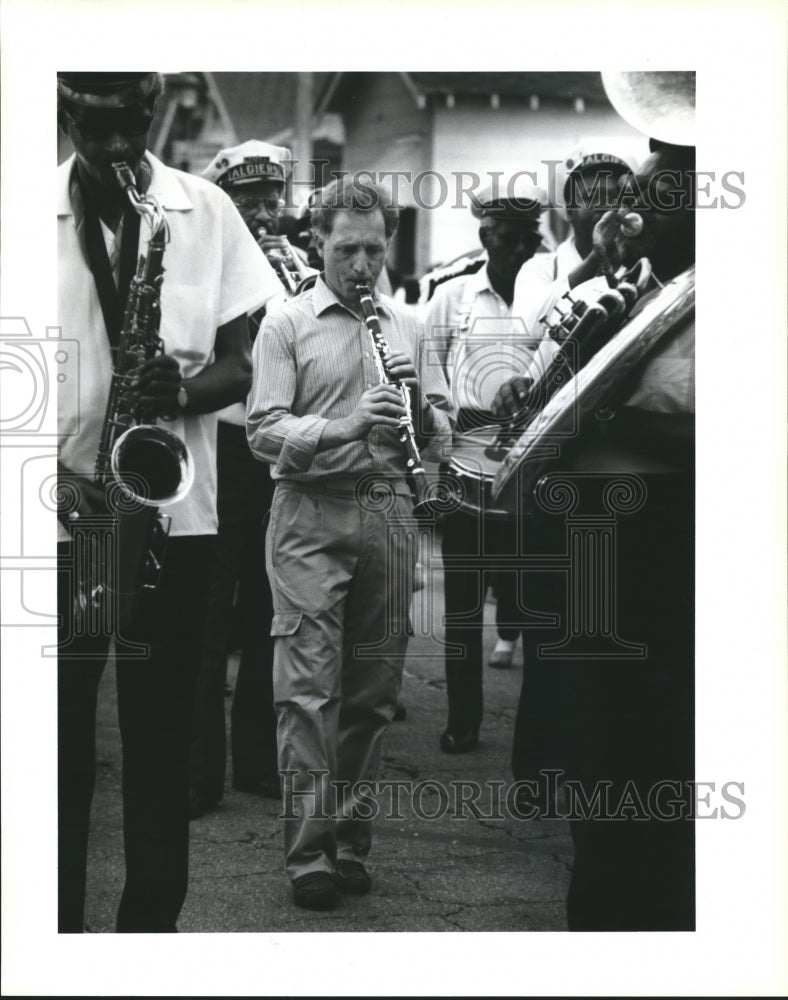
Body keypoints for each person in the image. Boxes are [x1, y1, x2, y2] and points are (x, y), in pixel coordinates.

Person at [56, 72, 273, 932]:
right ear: (67, 114)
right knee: (56, 747)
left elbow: (241, 366)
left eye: (133, 127)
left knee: (158, 747)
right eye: (99, 128)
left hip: (171, 524)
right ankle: (51, 939)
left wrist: (181, 392)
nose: (118, 149)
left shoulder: (205, 210)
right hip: (61, 521)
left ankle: (147, 936)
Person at [494, 137, 696, 930]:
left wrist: (600, 414)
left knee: (653, 744)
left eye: (651, 196)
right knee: (594, 746)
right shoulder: (627, 287)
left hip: (659, 539)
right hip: (586, 538)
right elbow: (543, 345)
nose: (629, 211)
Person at [247, 176, 453, 911]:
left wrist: (419, 404)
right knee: (307, 692)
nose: (361, 265)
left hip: (390, 508)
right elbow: (261, 430)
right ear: (318, 243)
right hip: (309, 510)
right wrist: (341, 426)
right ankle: (308, 857)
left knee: (372, 694)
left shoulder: (407, 324)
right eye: (346, 249)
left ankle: (349, 840)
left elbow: (440, 435)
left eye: (373, 249)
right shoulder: (287, 323)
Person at [423, 177, 546, 753]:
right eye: (511, 240)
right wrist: (448, 435)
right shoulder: (452, 296)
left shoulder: (550, 291)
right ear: (486, 238)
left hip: (530, 465)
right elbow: (428, 377)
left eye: (531, 239)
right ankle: (463, 719)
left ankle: (536, 737)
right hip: (466, 467)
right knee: (464, 604)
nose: (523, 251)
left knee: (529, 597)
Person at [187, 141, 290, 818]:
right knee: (206, 613)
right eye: (247, 199)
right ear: (227, 201)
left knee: (265, 612)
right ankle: (199, 771)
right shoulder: (208, 262)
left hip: (274, 452)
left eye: (269, 197)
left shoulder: (300, 271)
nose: (260, 210)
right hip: (220, 445)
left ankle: (257, 759)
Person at [510, 144, 638, 361]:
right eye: (591, 197)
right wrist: (596, 257)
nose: (606, 206)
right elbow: (526, 331)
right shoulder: (540, 268)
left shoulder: (638, 265)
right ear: (570, 211)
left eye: (614, 197)